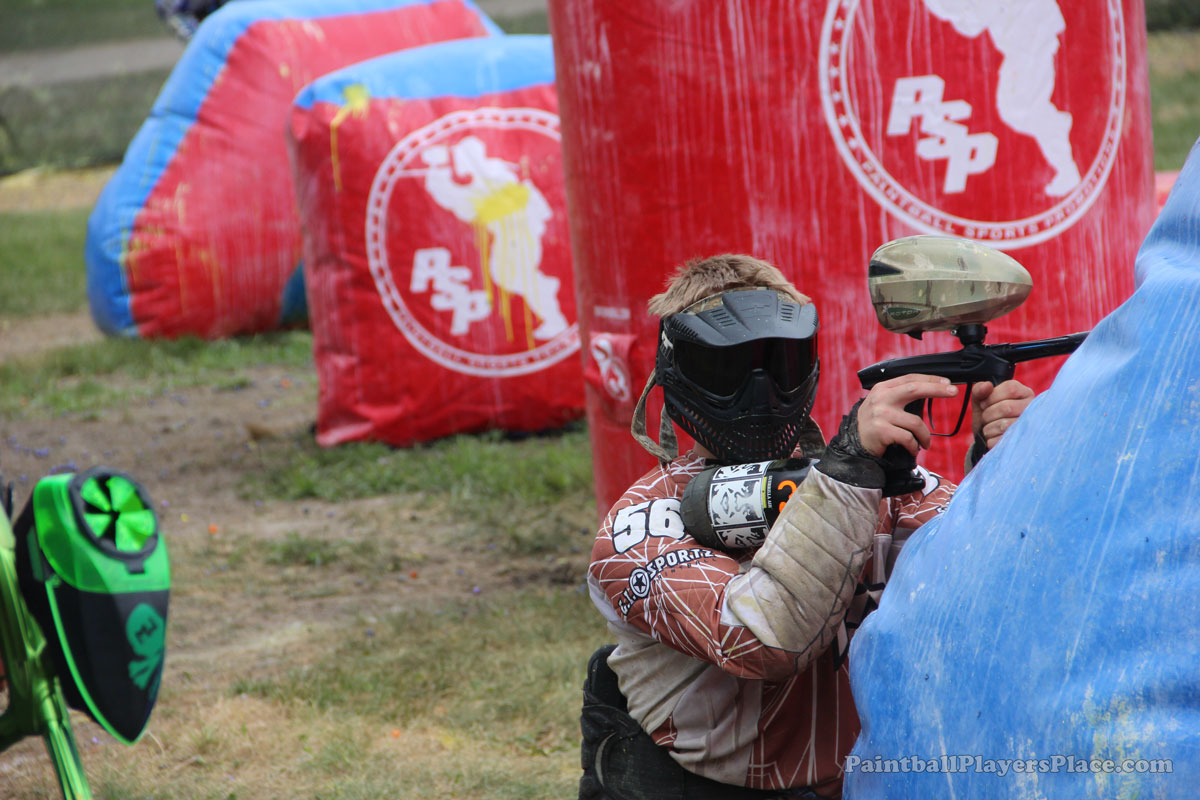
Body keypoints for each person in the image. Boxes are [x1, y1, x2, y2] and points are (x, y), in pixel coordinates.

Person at [579, 253, 1034, 799]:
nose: (760, 394)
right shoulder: (644, 525)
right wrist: (846, 475)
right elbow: (765, 640)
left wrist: (1002, 468)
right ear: (678, 376)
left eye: (780, 366)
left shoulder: (875, 483)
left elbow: (998, 593)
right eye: (728, 370)